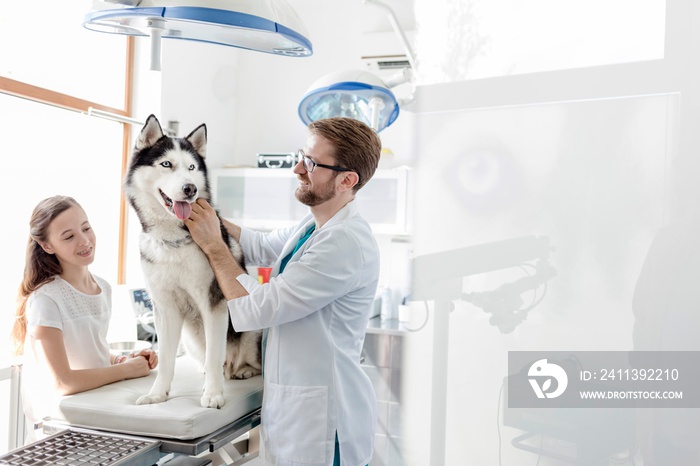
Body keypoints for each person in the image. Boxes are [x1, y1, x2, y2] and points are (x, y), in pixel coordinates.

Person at [185, 117, 382, 466]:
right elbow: (259, 244)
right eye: (301, 156)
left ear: (347, 180)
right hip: (294, 410)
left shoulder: (344, 242)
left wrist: (214, 245)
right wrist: (205, 217)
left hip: (323, 423)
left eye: (311, 163)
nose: (297, 169)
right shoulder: (315, 224)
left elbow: (257, 308)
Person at [11, 195, 158, 439]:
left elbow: (87, 350)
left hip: (97, 407)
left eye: (86, 228)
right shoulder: (46, 299)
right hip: (60, 425)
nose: (84, 240)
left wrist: (121, 360)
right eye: (68, 236)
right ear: (48, 246)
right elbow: (62, 382)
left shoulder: (102, 288)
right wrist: (127, 370)